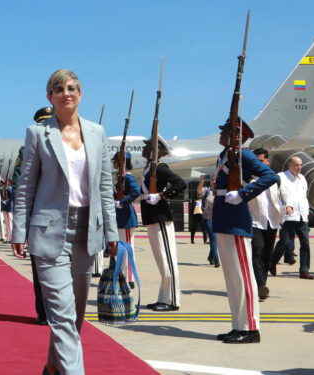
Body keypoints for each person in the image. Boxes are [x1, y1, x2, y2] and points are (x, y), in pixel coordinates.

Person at [11, 69, 118, 375]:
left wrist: (111, 231)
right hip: (49, 232)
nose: (66, 93)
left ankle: (53, 368)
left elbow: (105, 188)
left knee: (76, 317)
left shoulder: (96, 133)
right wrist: (19, 229)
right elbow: (26, 186)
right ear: (50, 96)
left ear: (80, 94)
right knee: (61, 314)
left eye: (72, 88)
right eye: (59, 89)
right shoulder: (37, 134)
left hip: (87, 231)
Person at [213, 119, 277, 344]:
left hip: (236, 220)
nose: (220, 134)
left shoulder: (245, 155)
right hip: (222, 219)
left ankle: (251, 329)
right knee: (232, 278)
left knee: (244, 277)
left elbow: (271, 176)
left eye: (225, 132)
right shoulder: (224, 156)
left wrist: (244, 194)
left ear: (237, 136)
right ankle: (238, 325)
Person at [11, 107, 53, 326]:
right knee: (40, 268)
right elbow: (20, 185)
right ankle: (44, 312)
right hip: (39, 216)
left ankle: (57, 312)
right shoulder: (25, 149)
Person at [141, 135, 186, 312]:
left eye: (147, 147)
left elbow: (180, 183)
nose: (144, 149)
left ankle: (173, 300)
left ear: (156, 151)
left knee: (168, 260)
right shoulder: (149, 168)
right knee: (162, 261)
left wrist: (162, 195)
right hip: (152, 218)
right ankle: (164, 297)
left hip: (160, 217)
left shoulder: (160, 168)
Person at [248, 148, 285, 300]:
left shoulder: (275, 179)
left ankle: (262, 285)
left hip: (272, 221)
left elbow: (283, 194)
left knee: (266, 255)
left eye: (261, 161)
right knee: (257, 251)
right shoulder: (248, 179)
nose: (258, 164)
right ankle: (260, 285)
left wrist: (287, 205)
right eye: (255, 161)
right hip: (255, 221)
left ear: (267, 162)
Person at [270, 156, 314, 279]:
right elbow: (279, 194)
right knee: (284, 242)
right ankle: (272, 262)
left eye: (300, 165)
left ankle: (304, 271)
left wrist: (306, 214)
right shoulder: (281, 176)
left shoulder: (302, 178)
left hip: (301, 215)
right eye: (296, 165)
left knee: (305, 243)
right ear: (290, 165)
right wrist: (284, 206)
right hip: (288, 216)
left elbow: (304, 197)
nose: (299, 167)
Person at [112, 150, 140, 288]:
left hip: (127, 219)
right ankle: (123, 277)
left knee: (128, 249)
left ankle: (129, 279)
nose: (113, 163)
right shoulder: (120, 177)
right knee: (121, 250)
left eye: (115, 160)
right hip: (120, 219)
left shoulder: (128, 177)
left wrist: (122, 202)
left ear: (121, 161)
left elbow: (136, 192)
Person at [197, 174, 219, 267]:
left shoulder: (220, 191)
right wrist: (201, 182)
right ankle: (216, 259)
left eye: (215, 180)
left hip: (218, 219)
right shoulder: (207, 190)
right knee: (213, 238)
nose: (214, 181)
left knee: (216, 239)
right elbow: (198, 192)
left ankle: (211, 257)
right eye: (212, 180)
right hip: (207, 219)